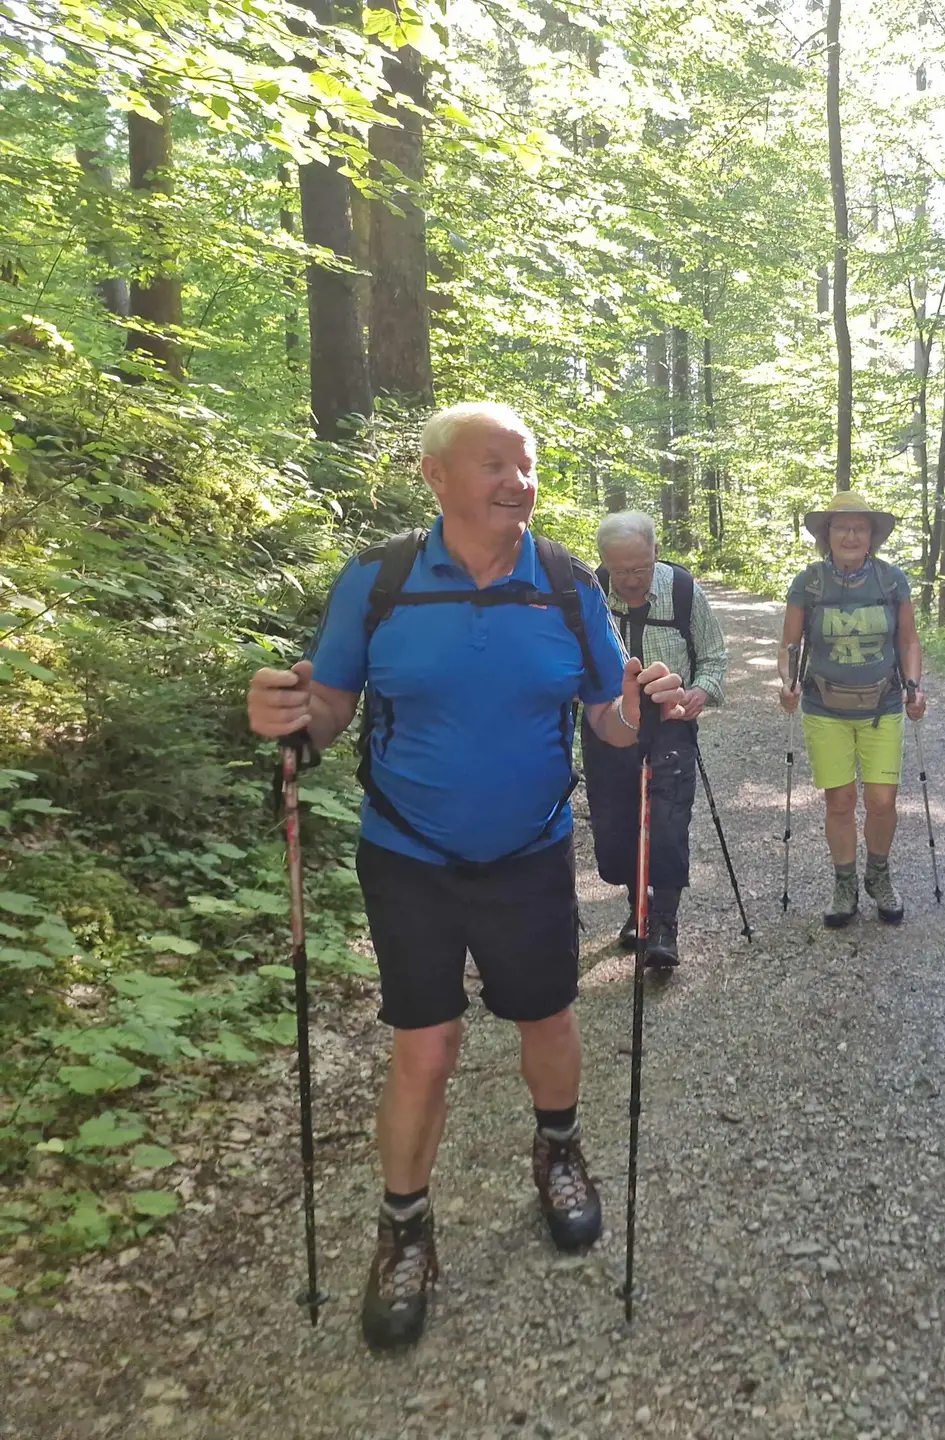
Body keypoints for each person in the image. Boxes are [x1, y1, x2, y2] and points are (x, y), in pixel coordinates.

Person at [245, 403, 687, 1353]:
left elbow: (609, 719)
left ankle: (559, 1151)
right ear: (435, 476)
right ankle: (404, 1229)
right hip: (408, 856)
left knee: (548, 1019)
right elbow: (328, 711)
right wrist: (286, 715)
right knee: (425, 1046)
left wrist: (646, 706)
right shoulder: (379, 580)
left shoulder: (566, 583)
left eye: (526, 466)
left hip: (530, 853)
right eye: (494, 465)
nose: (517, 483)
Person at [580, 511, 729, 967]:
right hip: (608, 722)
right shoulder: (589, 594)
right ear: (604, 561)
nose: (629, 580)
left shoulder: (682, 590)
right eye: (619, 570)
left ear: (656, 553)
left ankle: (664, 922)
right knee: (619, 820)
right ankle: (637, 908)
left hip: (670, 724)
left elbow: (714, 657)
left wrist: (700, 692)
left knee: (666, 821)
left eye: (640, 568)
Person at [778, 491, 929, 926]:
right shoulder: (808, 583)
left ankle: (878, 875)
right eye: (841, 527)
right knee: (840, 800)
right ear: (826, 535)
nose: (850, 535)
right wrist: (787, 681)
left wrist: (914, 686)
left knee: (882, 799)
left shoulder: (891, 580)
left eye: (859, 528)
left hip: (883, 704)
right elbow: (790, 645)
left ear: (871, 536)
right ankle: (844, 884)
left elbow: (908, 641)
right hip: (825, 707)